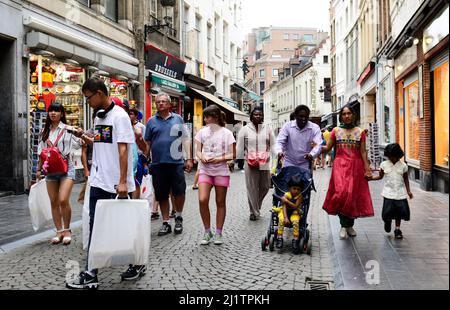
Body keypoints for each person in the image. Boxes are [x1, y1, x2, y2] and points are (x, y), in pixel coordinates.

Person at [66, 78, 139, 289]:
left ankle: (136, 263)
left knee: (122, 226)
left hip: (116, 183)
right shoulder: (98, 117)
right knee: (95, 225)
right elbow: (101, 142)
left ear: (99, 93)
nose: (87, 101)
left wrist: (123, 182)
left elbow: (123, 150)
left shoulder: (120, 117)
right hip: (99, 180)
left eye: (88, 97)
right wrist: (83, 136)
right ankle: (91, 273)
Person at [321, 104, 374, 240]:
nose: (347, 116)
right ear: (341, 116)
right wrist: (316, 148)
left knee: (352, 196)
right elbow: (327, 148)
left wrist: (367, 169)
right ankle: (343, 225)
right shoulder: (336, 131)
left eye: (349, 113)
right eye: (344, 114)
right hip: (340, 166)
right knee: (341, 194)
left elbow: (363, 151)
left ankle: (349, 225)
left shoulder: (360, 132)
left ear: (353, 115)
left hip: (356, 167)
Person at [145, 93, 193, 237]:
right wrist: (144, 159)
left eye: (163, 101)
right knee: (161, 195)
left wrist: (189, 158)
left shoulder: (177, 119)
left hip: (176, 163)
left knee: (179, 192)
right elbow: (148, 142)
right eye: (158, 102)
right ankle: (165, 222)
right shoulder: (151, 121)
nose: (160, 104)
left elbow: (185, 139)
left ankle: (178, 216)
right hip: (158, 163)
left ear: (169, 104)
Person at [37, 102, 81, 246]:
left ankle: (67, 230)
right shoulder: (45, 132)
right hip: (50, 169)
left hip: (66, 166)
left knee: (63, 199)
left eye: (56, 111)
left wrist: (79, 133)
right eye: (51, 111)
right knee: (54, 201)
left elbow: (80, 142)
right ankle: (59, 231)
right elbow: (41, 153)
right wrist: (38, 170)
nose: (53, 113)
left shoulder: (68, 129)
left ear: (62, 114)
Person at [195, 105, 236, 245]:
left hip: (221, 171)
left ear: (216, 117)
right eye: (205, 117)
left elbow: (233, 154)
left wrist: (219, 159)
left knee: (220, 202)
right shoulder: (202, 132)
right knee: (202, 199)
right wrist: (202, 157)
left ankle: (218, 233)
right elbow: (198, 150)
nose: (205, 119)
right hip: (205, 170)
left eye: (207, 117)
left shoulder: (227, 133)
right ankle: (207, 232)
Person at [236, 107, 276, 221]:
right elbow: (239, 146)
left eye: (260, 115)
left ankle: (256, 205)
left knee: (265, 186)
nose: (258, 116)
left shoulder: (268, 129)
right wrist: (238, 161)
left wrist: (278, 154)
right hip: (250, 161)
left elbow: (273, 145)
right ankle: (253, 212)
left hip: (264, 161)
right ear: (251, 116)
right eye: (256, 114)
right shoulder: (244, 129)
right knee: (252, 188)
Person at [369, 143, 413, 239]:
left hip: (400, 193)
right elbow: (380, 177)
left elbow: (406, 179)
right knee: (387, 213)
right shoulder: (384, 165)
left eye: (393, 156)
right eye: (389, 156)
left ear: (398, 156)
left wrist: (408, 191)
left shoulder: (403, 166)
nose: (391, 158)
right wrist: (371, 179)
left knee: (399, 213)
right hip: (388, 193)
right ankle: (387, 221)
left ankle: (397, 229)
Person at [275, 105, 323, 171]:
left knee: (305, 181)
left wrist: (311, 154)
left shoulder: (314, 128)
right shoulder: (287, 126)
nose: (303, 118)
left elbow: (318, 144)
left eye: (306, 116)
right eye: (301, 116)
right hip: (289, 162)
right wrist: (279, 151)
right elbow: (279, 141)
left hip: (305, 163)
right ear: (295, 116)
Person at [275, 175, 304, 252]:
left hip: (294, 212)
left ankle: (295, 239)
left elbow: (295, 206)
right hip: (284, 212)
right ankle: (279, 238)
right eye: (294, 188)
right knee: (281, 220)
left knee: (296, 222)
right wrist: (285, 217)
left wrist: (287, 201)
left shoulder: (299, 196)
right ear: (289, 188)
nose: (296, 191)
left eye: (298, 189)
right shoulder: (287, 195)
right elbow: (284, 206)